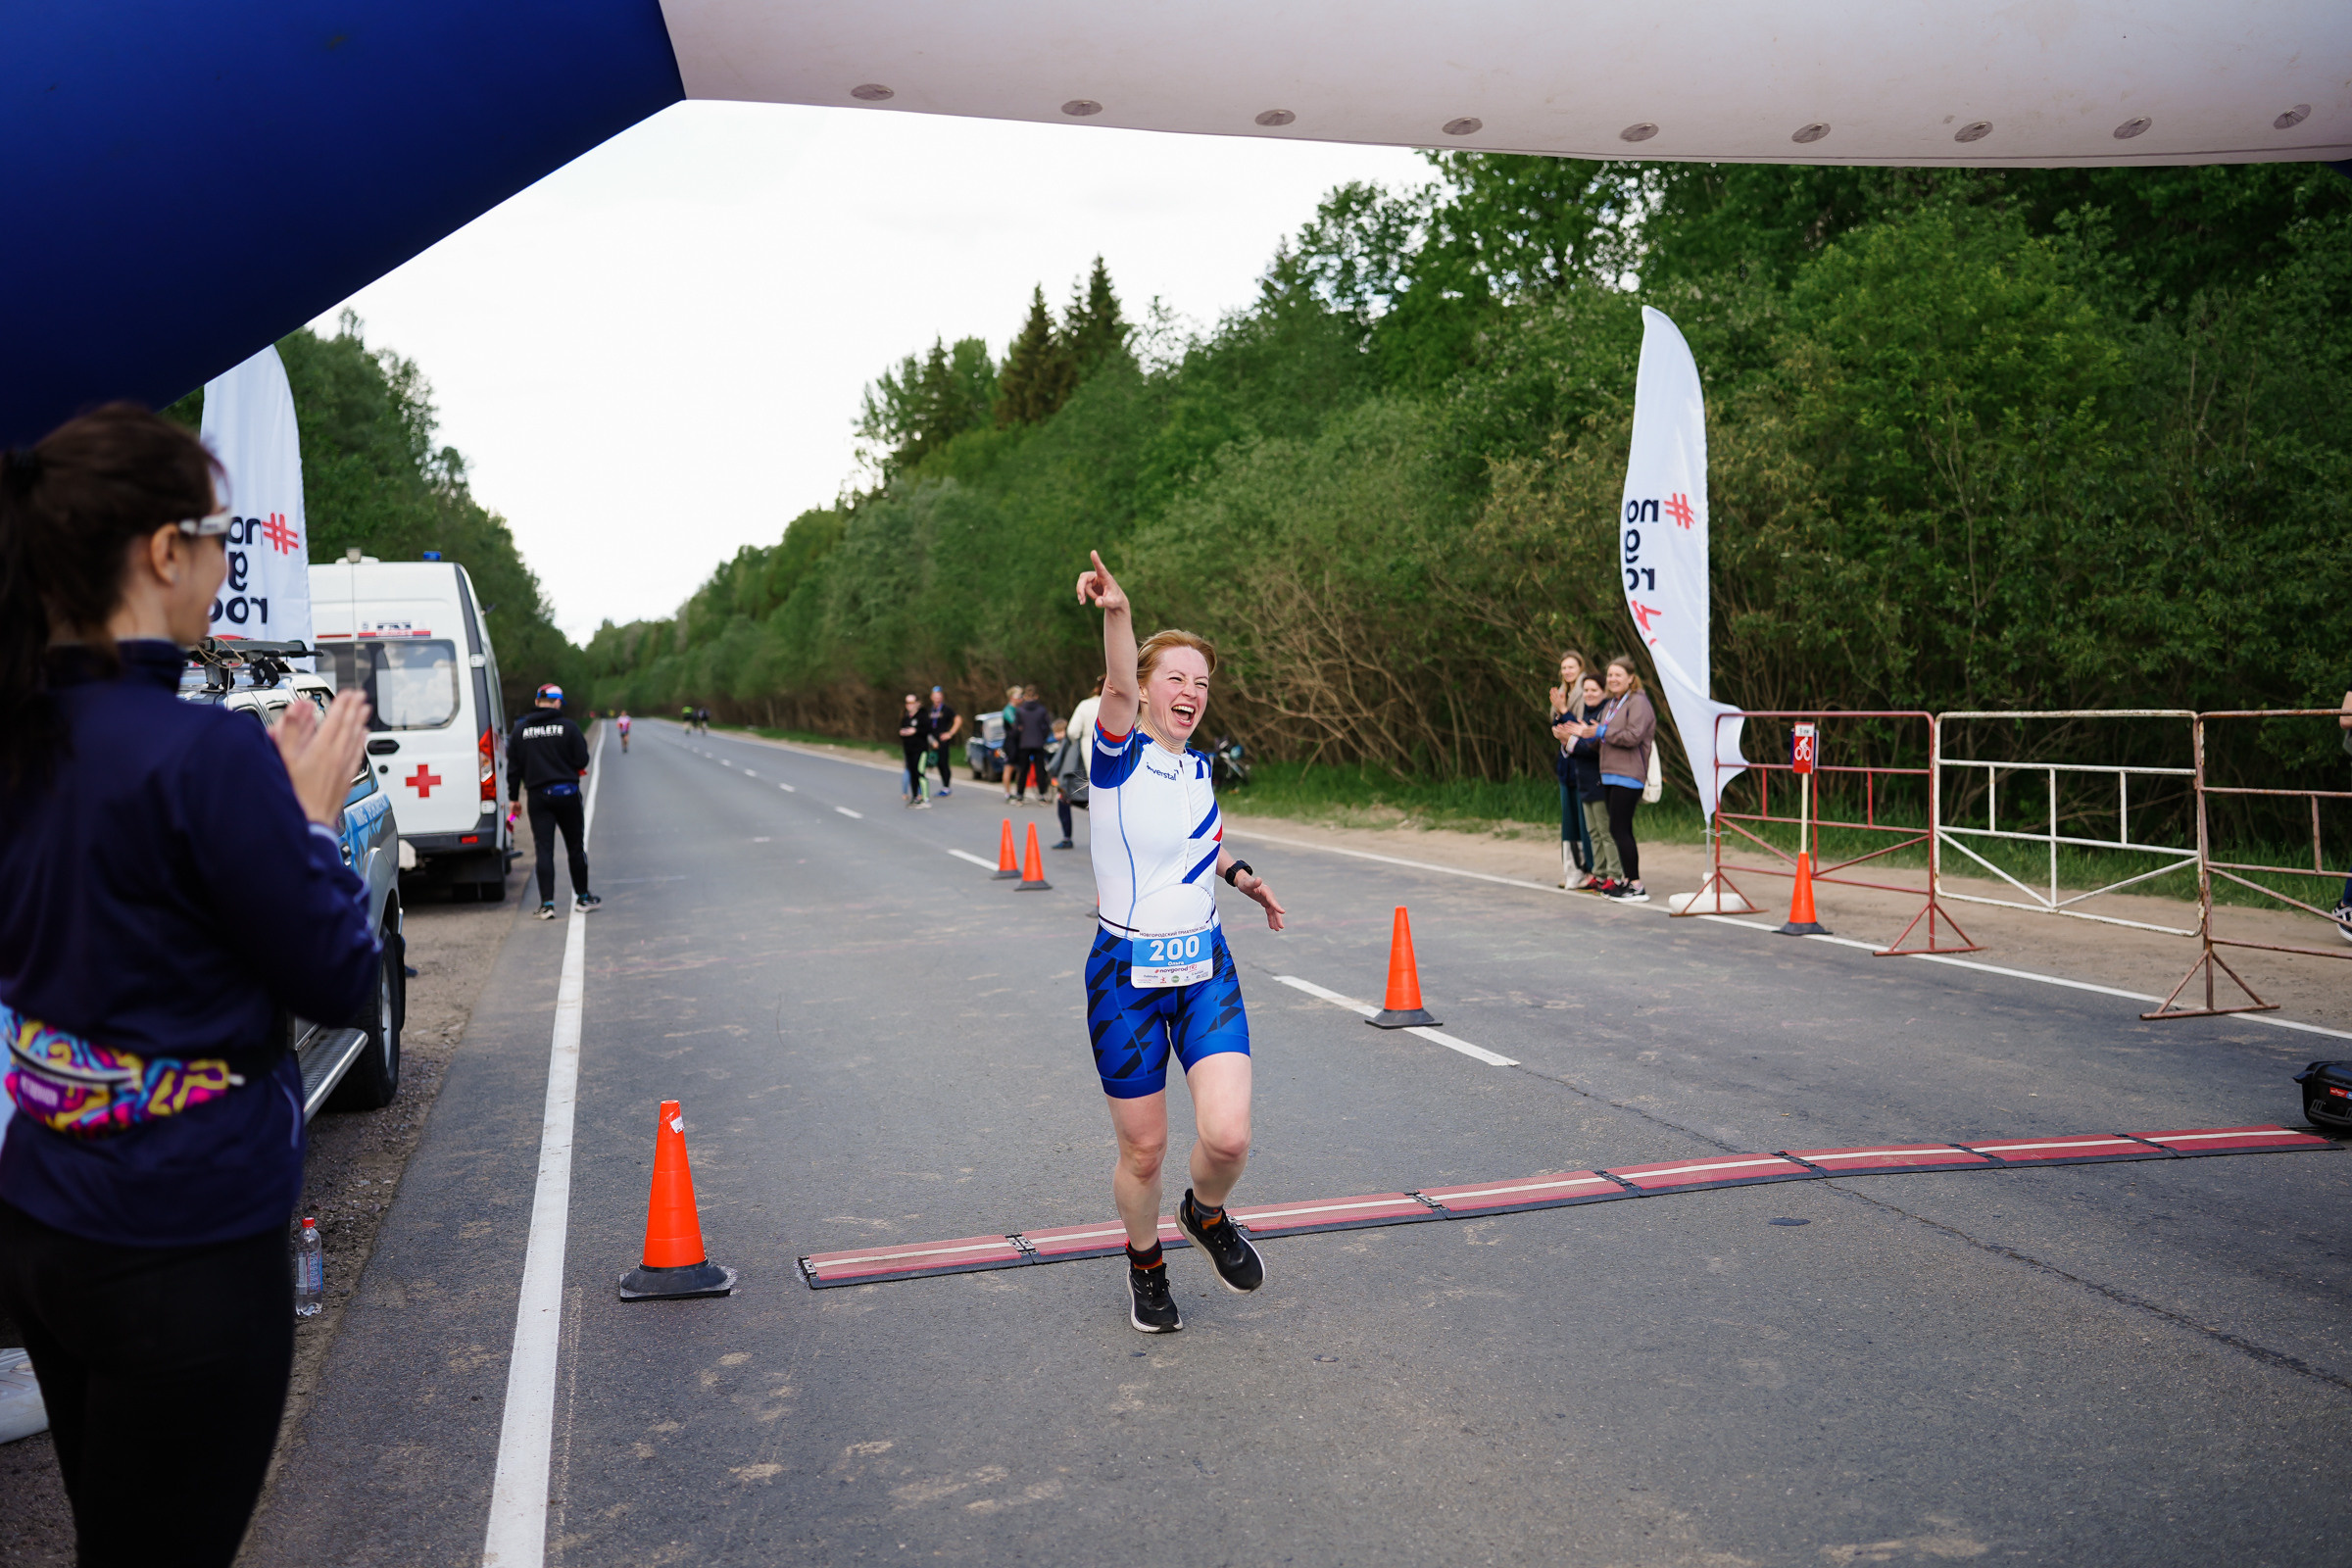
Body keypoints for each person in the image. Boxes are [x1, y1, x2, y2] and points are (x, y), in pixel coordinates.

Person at [0, 406, 379, 1568]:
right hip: (188, 1238)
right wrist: (311, 827)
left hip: (43, 1214)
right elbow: (341, 975)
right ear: (165, 552)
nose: (227, 562)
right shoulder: (201, 755)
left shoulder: (22, 740)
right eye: (219, 534)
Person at [1074, 550, 1287, 1335]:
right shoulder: (1115, 752)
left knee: (1227, 1138)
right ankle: (1146, 1263)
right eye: (1177, 678)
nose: (1191, 692)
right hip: (1124, 975)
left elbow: (1196, 845)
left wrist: (1241, 875)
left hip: (1203, 965)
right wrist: (1118, 614)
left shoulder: (1196, 767)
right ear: (1143, 687)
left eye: (1202, 682)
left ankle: (1205, 1214)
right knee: (1144, 1153)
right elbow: (1119, 683)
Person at [509, 683, 600, 918]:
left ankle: (547, 904)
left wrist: (513, 799)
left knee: (544, 849)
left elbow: (514, 769)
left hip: (538, 798)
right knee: (575, 847)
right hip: (567, 794)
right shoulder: (568, 728)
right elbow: (582, 760)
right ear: (557, 702)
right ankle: (582, 897)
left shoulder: (520, 731)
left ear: (537, 701)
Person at [1588, 655, 1656, 903]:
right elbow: (1603, 741)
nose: (1613, 679)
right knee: (1617, 828)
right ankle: (1627, 880)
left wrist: (1602, 731)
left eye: (1618, 675)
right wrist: (1583, 735)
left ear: (1630, 678)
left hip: (1629, 774)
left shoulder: (1638, 702)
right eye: (1610, 675)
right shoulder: (1611, 704)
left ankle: (1637, 885)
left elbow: (1633, 736)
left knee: (1620, 827)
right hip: (1609, 773)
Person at [1561, 672, 1624, 893]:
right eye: (1586, 690)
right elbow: (1579, 743)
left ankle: (1614, 875)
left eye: (1594, 690)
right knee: (1593, 832)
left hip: (1600, 781)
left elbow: (1592, 747)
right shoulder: (1586, 715)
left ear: (1604, 692)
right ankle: (1599, 873)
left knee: (1606, 831)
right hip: (1584, 782)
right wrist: (1568, 741)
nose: (1589, 694)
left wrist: (1570, 743)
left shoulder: (1605, 714)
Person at [1547, 651, 1595, 889]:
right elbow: (1559, 727)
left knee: (1585, 820)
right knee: (1569, 821)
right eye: (1564, 668)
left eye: (1571, 667)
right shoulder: (1560, 692)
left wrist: (1564, 710)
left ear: (1580, 668)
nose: (1567, 671)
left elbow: (1579, 727)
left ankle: (1591, 871)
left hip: (1582, 763)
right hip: (1565, 764)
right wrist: (1559, 711)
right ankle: (1573, 871)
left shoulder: (1586, 691)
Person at [1009, 684, 1054, 804]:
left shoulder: (1020, 710)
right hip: (1038, 743)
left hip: (1024, 743)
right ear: (1037, 696)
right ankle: (1042, 794)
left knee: (1023, 769)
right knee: (1040, 769)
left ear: (1025, 696)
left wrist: (1020, 737)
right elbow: (1046, 728)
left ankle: (1020, 794)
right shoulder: (1042, 710)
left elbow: (1016, 729)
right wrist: (1041, 738)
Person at [1046, 715, 1085, 848]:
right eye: (1055, 733)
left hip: (1072, 783)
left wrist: (1050, 771)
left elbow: (1056, 765)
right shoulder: (1078, 742)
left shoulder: (1068, 742)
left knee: (1063, 803)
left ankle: (1067, 838)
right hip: (1081, 782)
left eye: (1060, 732)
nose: (1057, 735)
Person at [895, 692, 932, 808]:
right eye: (907, 703)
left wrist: (915, 731)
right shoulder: (906, 717)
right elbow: (902, 731)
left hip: (920, 750)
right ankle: (916, 797)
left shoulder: (923, 715)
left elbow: (927, 730)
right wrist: (903, 733)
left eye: (911, 702)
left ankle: (925, 799)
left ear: (917, 703)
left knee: (920, 773)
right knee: (913, 774)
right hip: (909, 750)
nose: (909, 705)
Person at [925, 685, 960, 797]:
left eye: (939, 696)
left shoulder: (946, 709)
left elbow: (958, 719)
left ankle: (946, 787)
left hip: (943, 741)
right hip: (932, 741)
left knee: (943, 763)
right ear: (931, 697)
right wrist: (931, 740)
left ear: (942, 697)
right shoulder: (930, 710)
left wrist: (950, 733)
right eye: (935, 696)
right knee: (932, 763)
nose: (937, 698)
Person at [1068, 674, 1104, 774]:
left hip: (1089, 745)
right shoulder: (1122, 705)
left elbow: (1072, 731)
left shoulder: (1085, 705)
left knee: (1093, 778)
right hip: (1118, 745)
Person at [999, 686, 1023, 802]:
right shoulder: (1008, 710)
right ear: (1012, 697)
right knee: (1009, 767)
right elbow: (1015, 724)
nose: (1021, 698)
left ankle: (1018, 792)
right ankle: (1007, 793)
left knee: (1020, 768)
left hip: (1018, 742)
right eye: (1019, 696)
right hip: (1010, 743)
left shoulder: (1019, 709)